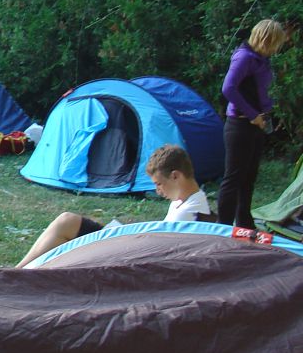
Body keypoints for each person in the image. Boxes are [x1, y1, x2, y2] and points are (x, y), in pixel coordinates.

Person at [16, 144, 211, 267]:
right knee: (67, 221)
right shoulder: (187, 200)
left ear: (175, 176)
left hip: (128, 255)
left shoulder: (189, 216)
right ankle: (21, 270)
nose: (158, 191)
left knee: (66, 224)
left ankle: (18, 272)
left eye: (159, 184)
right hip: (132, 244)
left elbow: (161, 255)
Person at [218, 19, 288, 228]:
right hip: (240, 125)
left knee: (249, 177)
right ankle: (222, 227)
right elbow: (228, 88)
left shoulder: (261, 59)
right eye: (275, 43)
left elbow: (260, 89)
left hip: (257, 124)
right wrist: (251, 114)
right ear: (266, 39)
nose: (277, 49)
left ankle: (245, 223)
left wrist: (266, 112)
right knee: (234, 178)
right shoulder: (244, 57)